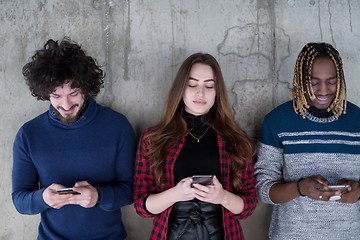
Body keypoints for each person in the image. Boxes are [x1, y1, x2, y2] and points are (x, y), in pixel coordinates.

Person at [12, 38, 135, 240]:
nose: (66, 104)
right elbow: (19, 199)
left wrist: (99, 196)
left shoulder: (117, 126)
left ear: (86, 88)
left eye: (74, 93)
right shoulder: (29, 134)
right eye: (56, 95)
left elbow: (131, 190)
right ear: (45, 93)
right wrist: (43, 198)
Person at [133, 53, 257, 240]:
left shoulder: (236, 140)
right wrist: (175, 194)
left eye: (209, 85)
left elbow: (248, 206)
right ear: (180, 89)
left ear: (217, 92)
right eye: (192, 84)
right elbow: (141, 206)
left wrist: (221, 197)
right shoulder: (153, 139)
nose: (201, 93)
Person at [255, 42, 360, 239]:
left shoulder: (357, 120)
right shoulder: (277, 121)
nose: (322, 90)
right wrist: (300, 188)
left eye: (331, 81)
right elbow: (263, 189)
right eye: (313, 82)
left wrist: (358, 191)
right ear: (300, 80)